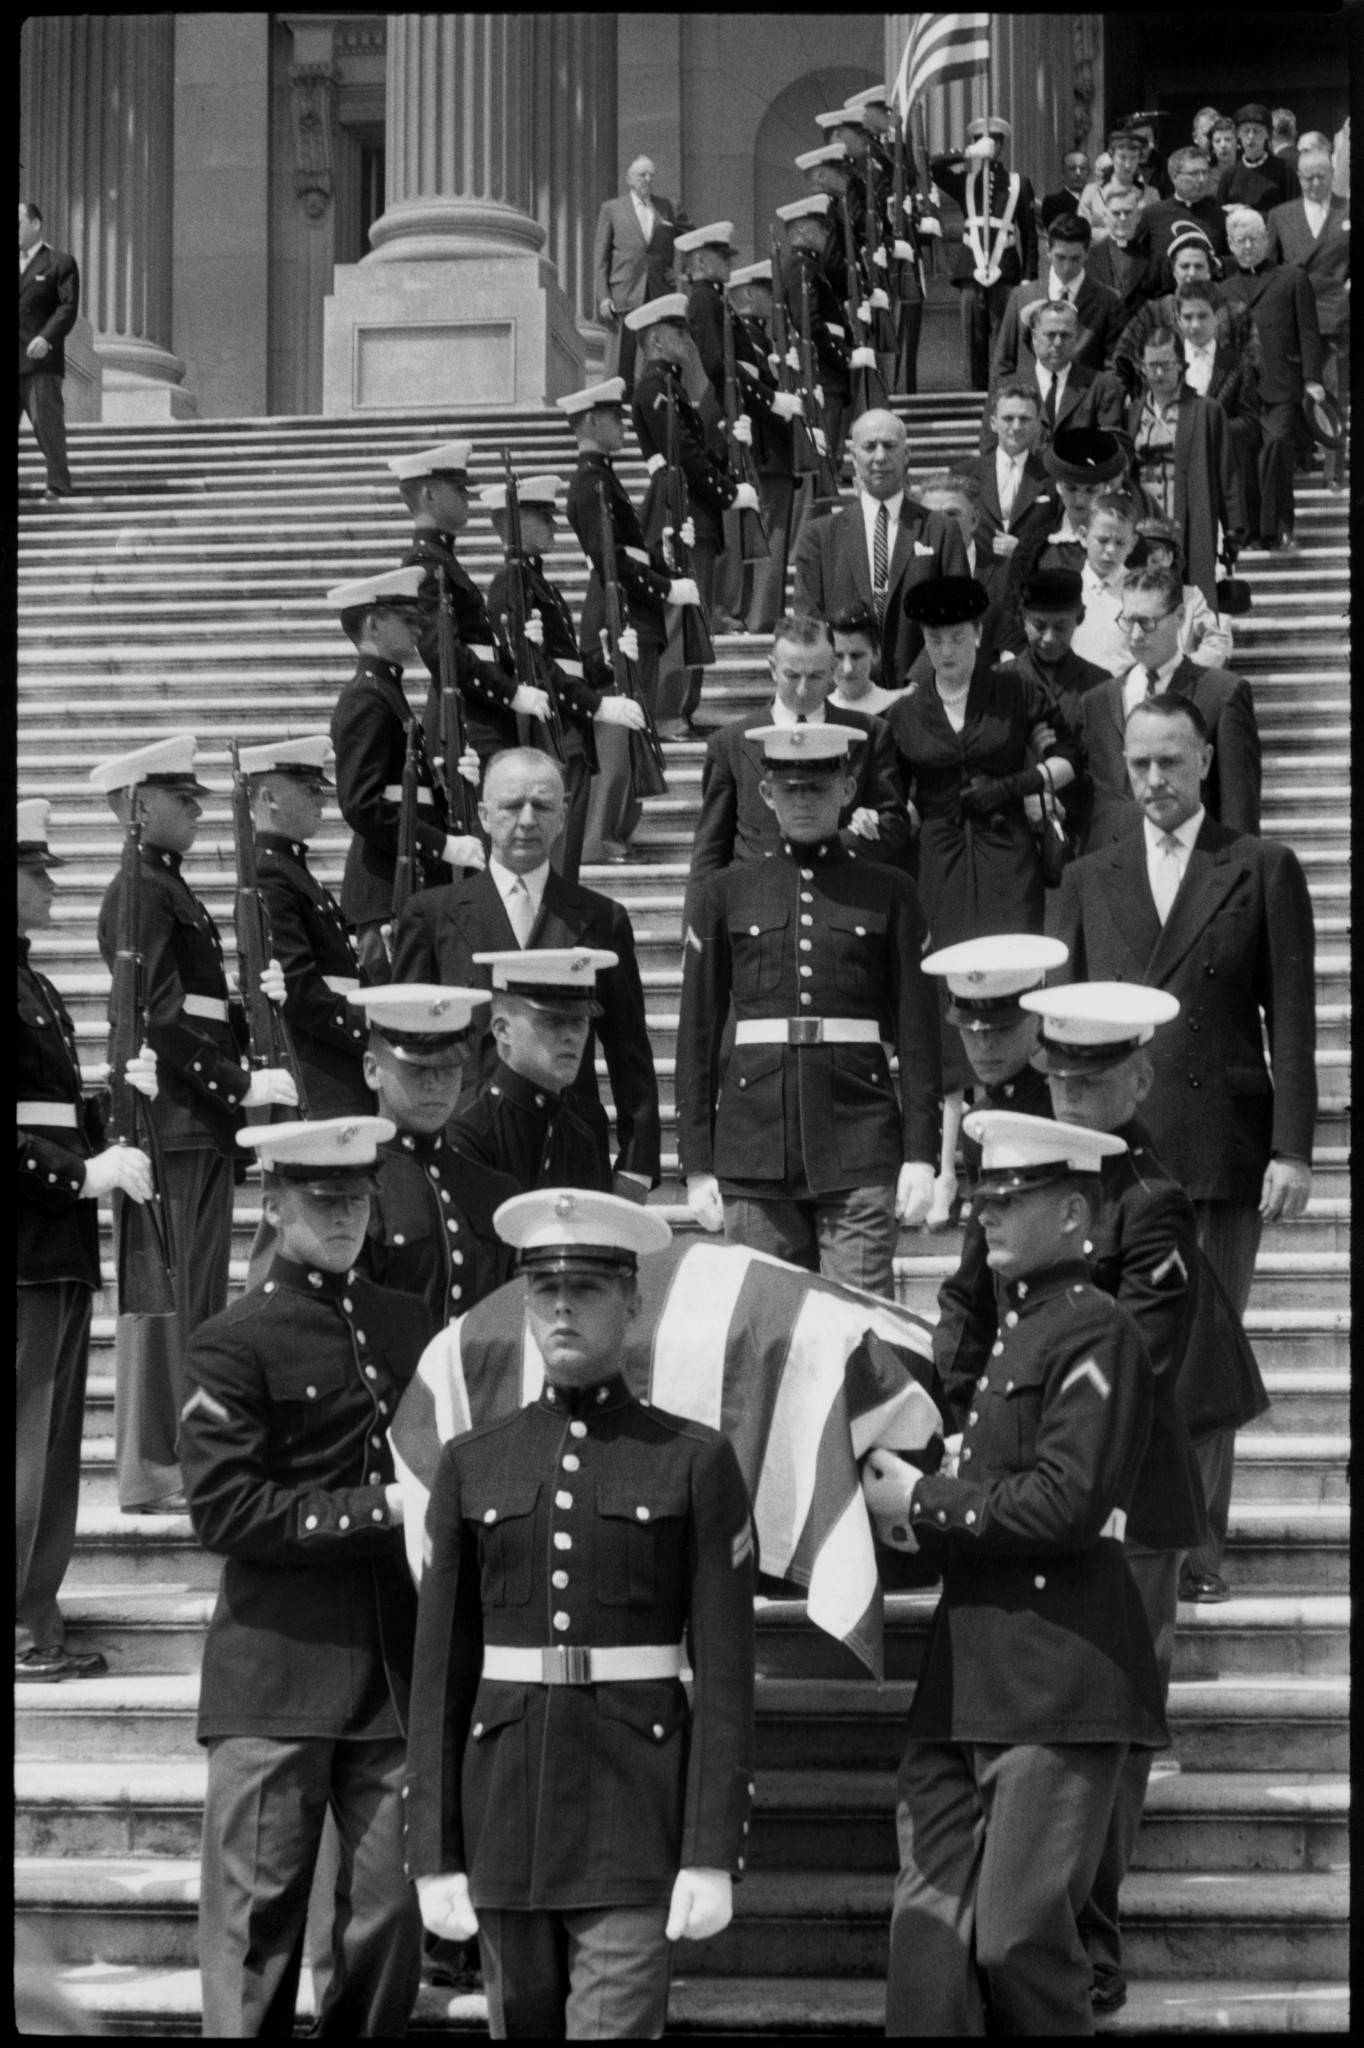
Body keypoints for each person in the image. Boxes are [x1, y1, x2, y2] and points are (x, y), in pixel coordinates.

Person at [404, 1188, 756, 2039]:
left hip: (634, 1809)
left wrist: (712, 1849)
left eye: (587, 1289)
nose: (562, 1307)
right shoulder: (472, 1462)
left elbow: (726, 1676)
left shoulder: (693, 1460)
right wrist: (433, 1851)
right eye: (544, 1289)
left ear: (632, 1302)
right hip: (504, 1811)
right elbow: (439, 1677)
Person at [869, 1108, 1167, 2037]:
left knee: (1018, 1940)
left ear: (1074, 1213)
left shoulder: (1096, 1332)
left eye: (1012, 1197)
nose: (986, 1212)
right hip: (967, 1678)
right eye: (984, 1195)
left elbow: (1066, 1503)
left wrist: (926, 1499)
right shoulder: (1016, 1335)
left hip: (1055, 1677)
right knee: (926, 1945)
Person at [1048, 692, 1317, 1599]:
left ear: (1205, 760)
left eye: (1171, 760)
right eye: (1140, 764)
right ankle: (1117, 1538)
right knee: (1113, 1349)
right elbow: (1059, 1023)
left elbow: (1292, 1022)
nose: (1155, 779)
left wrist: (1293, 1150)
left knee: (1204, 1355)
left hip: (1221, 1149)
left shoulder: (1259, 866)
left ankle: (1197, 1553)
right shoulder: (1090, 876)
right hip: (1112, 1155)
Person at [180, 1115, 430, 2038]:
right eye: (324, 1201)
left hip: (391, 1676)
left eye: (358, 1199)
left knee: (388, 1915)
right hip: (276, 1677)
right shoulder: (231, 1341)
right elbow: (225, 1509)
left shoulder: (403, 1323)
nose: (346, 1217)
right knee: (254, 1936)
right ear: (274, 1204)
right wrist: (380, 1510)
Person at [1015, 985, 1211, 2017]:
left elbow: (1138, 1357)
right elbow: (971, 1321)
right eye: (1059, 1076)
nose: (1071, 1094)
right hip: (1031, 1493)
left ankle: (1090, 1928)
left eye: (1092, 1080)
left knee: (1113, 1724)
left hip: (1127, 1503)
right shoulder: (1020, 1185)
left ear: (1137, 1079)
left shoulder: (1151, 1201)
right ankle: (1026, 1918)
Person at [92, 736, 297, 1514]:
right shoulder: (138, 892)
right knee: (164, 1298)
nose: (197, 811)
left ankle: (185, 1450)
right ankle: (152, 1466)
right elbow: (162, 1011)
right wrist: (239, 1084)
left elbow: (200, 1007)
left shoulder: (165, 886)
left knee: (197, 1297)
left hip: (196, 1118)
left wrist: (252, 1018)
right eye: (183, 800)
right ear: (139, 807)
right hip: (171, 1119)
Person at [677, 722, 940, 1286]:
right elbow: (697, 1033)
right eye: (789, 789)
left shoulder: (889, 890)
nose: (803, 801)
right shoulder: (726, 892)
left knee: (858, 1319)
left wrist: (922, 1153)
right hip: (753, 1144)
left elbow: (918, 1032)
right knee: (764, 1321)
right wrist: (696, 1163)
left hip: (859, 1132)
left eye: (817, 788)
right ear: (766, 793)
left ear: (847, 789)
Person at [18, 800, 158, 1682]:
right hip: (28, 1245)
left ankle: (37, 1614)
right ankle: (22, 1629)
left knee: (49, 1446)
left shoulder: (31, 983)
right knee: (27, 1444)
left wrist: (112, 1106)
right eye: (34, 873)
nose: (48, 887)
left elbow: (49, 1109)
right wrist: (78, 1176)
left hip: (52, 1247)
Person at [389, 748, 661, 1197]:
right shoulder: (432, 915)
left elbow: (629, 1051)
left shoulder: (602, 917)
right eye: (512, 805)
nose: (528, 820)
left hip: (571, 1148)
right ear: (483, 814)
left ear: (564, 815)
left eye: (543, 806)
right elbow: (405, 1046)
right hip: (464, 1144)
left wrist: (637, 1164)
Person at [887, 576, 1078, 954]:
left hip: (1009, 851)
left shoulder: (1016, 691)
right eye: (935, 639)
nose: (946, 651)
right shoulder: (904, 713)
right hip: (938, 858)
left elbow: (1069, 759)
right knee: (945, 959)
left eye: (957, 638)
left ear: (977, 633)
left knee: (1014, 956)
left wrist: (1014, 786)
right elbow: (897, 798)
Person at [328, 567, 486, 981]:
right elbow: (361, 804)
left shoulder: (385, 691)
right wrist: (442, 845)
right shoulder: (367, 697)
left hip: (410, 882)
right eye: (406, 619)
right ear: (373, 625)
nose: (418, 629)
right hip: (388, 888)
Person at [481, 472, 634, 885]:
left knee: (566, 848)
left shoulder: (535, 582)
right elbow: (532, 664)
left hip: (566, 722)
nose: (555, 526)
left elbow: (565, 663)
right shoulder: (510, 584)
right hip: (551, 727)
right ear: (514, 524)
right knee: (556, 847)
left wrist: (606, 662)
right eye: (543, 517)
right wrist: (596, 704)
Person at [689, 612, 911, 887]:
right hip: (759, 898)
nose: (803, 690)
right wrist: (702, 914)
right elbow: (709, 851)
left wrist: (849, 838)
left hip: (842, 896)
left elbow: (894, 825)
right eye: (792, 676)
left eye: (816, 676)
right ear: (772, 668)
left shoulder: (870, 733)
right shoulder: (730, 743)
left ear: (833, 669)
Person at [348, 985, 517, 1324]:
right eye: (417, 1067)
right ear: (372, 1070)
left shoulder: (495, 1191)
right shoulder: (353, 1192)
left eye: (449, 1066)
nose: (435, 1082)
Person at [1074, 565, 1260, 851]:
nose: (1135, 634)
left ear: (1181, 617)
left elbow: (1239, 812)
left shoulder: (1221, 694)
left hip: (1194, 861)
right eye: (1128, 620)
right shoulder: (1097, 701)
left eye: (1147, 622)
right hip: (1114, 864)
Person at [559, 375, 668, 861]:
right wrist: (662, 587)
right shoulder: (591, 483)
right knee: (614, 731)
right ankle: (596, 836)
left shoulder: (602, 478)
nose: (623, 425)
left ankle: (614, 827)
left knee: (631, 723)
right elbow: (609, 559)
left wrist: (661, 565)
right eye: (613, 418)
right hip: (615, 609)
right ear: (590, 421)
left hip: (628, 605)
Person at [630, 290, 748, 737]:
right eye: (677, 331)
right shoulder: (655, 388)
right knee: (679, 614)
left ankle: (683, 707)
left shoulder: (672, 386)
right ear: (656, 340)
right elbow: (683, 453)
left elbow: (697, 450)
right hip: (676, 508)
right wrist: (727, 492)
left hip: (693, 509)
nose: (687, 338)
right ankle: (666, 710)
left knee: (693, 613)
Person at [392, 441, 540, 787]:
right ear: (427, 495)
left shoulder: (442, 559)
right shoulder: (424, 563)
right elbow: (442, 652)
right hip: (466, 717)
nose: (466, 497)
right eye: (457, 489)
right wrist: (509, 692)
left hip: (481, 712)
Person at [237, 736, 370, 1117]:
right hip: (318, 1069)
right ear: (269, 799)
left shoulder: (291, 871)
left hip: (337, 1059)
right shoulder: (269, 875)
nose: (321, 799)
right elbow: (297, 987)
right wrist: (369, 1030)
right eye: (309, 790)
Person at [794, 406, 968, 686]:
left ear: (906, 454)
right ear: (854, 457)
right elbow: (809, 620)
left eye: (889, 445)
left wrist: (917, 684)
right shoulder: (820, 536)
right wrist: (845, 676)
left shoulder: (941, 530)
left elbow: (956, 615)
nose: (880, 456)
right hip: (845, 690)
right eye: (869, 446)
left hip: (920, 692)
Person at [920, 933, 1065, 1253]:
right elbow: (981, 1246)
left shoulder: (1065, 1110)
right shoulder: (979, 1122)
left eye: (1003, 1027)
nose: (985, 1045)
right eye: (971, 1030)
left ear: (1037, 1019)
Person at [451, 950, 616, 1194]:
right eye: (553, 1021)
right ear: (502, 1030)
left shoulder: (579, 1138)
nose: (570, 1036)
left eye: (579, 1021)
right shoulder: (469, 1130)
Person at [1221, 208, 1326, 553]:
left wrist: (1312, 379)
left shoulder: (1291, 277)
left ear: (1266, 239)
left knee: (1278, 447)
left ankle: (1281, 529)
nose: (1248, 246)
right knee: (1247, 458)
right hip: (1239, 391)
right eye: (1240, 240)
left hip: (1281, 383)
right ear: (1230, 244)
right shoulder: (1222, 289)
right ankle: (1254, 532)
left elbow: (1308, 332)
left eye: (1254, 238)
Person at [1123, 323, 1243, 600]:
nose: (1159, 373)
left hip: (1189, 517)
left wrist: (1233, 528)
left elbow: (1226, 472)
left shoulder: (1206, 410)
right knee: (1144, 595)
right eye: (1152, 366)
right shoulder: (1133, 411)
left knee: (1191, 598)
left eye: (1166, 365)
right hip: (1143, 521)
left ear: (1181, 364)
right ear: (1142, 367)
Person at [929, 115, 1039, 389]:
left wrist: (1029, 277)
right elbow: (933, 168)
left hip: (1006, 269)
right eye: (981, 142)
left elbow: (1029, 233)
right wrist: (968, 154)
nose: (989, 147)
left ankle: (1002, 396)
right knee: (973, 342)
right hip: (970, 269)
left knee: (1005, 341)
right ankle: (976, 398)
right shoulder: (965, 181)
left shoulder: (1018, 183)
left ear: (1001, 145)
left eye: (993, 142)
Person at [725, 259, 803, 633]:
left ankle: (757, 612)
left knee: (767, 534)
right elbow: (757, 398)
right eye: (765, 290)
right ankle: (761, 615)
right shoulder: (750, 338)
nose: (773, 298)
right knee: (770, 535)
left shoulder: (757, 337)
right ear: (746, 295)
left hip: (767, 452)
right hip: (768, 452)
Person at [1267, 145, 1350, 487]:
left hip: (1333, 315)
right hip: (1292, 316)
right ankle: (1298, 461)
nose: (1315, 183)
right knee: (1292, 393)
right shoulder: (1280, 215)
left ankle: (1333, 472)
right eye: (1308, 178)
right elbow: (1269, 266)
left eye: (1322, 176)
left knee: (1331, 392)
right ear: (1298, 177)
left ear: (1332, 174)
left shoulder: (1348, 211)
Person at [1173, 278, 1262, 548]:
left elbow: (1249, 423)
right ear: (1177, 319)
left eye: (1202, 316)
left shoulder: (1237, 364)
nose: (1195, 324)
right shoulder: (1166, 362)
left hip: (1220, 477)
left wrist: (1208, 431)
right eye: (1188, 317)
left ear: (1218, 318)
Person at [593, 156, 688, 395]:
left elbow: (692, 240)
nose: (647, 179)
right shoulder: (612, 209)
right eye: (641, 175)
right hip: (624, 291)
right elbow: (601, 259)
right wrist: (603, 297)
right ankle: (618, 403)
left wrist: (680, 274)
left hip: (659, 292)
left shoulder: (669, 207)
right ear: (629, 178)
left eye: (651, 175)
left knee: (659, 353)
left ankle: (658, 400)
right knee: (620, 360)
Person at [958, 383, 1059, 601]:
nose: (1016, 426)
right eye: (1008, 418)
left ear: (1037, 425)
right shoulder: (963, 474)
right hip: (974, 593)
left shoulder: (1052, 480)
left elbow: (1061, 543)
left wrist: (1023, 551)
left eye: (1025, 419)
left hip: (1032, 595)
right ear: (993, 423)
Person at [990, 213, 1124, 377]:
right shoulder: (1021, 297)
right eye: (1060, 257)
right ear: (1048, 250)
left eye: (1075, 258)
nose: (1067, 267)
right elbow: (1002, 366)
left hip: (1085, 391)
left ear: (1087, 252)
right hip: (1028, 391)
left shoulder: (1108, 301)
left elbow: (1115, 372)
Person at [777, 192, 853, 474]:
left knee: (828, 460)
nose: (826, 233)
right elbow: (807, 322)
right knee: (823, 464)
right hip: (823, 373)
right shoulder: (802, 267)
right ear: (800, 230)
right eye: (820, 227)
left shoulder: (809, 266)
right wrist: (843, 356)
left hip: (826, 371)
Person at [19, 199, 78, 499]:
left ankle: (58, 483)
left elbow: (67, 308)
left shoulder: (59, 262)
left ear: (35, 224)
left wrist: (47, 337)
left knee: (46, 423)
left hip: (39, 360)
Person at [1131, 514, 1234, 668]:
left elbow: (1217, 641)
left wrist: (1186, 669)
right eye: (1140, 554)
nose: (1148, 563)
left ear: (1169, 557)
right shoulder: (1121, 595)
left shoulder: (1190, 597)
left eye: (1155, 555)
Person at [1070, 490, 1141, 675]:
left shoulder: (1140, 591)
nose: (1110, 550)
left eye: (1120, 543)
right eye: (1102, 540)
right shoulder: (1066, 589)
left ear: (1132, 544)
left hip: (1122, 688)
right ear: (1083, 535)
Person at [1081, 185, 1156, 332]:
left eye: (1128, 212)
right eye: (1116, 213)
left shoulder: (1152, 260)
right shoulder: (1087, 259)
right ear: (1105, 216)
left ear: (1138, 216)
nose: (1123, 218)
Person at [1145, 146, 1229, 263]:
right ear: (1174, 176)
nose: (1201, 179)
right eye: (1194, 173)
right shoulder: (1153, 215)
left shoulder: (1219, 217)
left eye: (1205, 172)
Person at [1217, 104, 1294, 218]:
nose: (1251, 136)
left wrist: (1252, 215)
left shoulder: (1285, 170)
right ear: (1238, 134)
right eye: (1246, 130)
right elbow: (1220, 216)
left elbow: (1293, 213)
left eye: (1257, 131)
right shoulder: (1229, 176)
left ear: (1268, 133)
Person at [828, 602, 901, 717]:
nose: (847, 668)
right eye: (838, 656)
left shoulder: (896, 708)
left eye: (856, 656)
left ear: (876, 654)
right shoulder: (818, 712)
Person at [1039, 151, 1093, 235]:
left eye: (1082, 168)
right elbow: (1062, 233)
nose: (1078, 173)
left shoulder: (1099, 199)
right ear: (1062, 173)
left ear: (1089, 172)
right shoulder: (1053, 202)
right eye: (1072, 168)